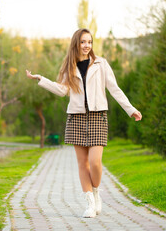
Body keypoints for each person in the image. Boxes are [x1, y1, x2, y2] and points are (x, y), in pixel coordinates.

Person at [26, 28, 142, 218]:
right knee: (82, 164)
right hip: (76, 117)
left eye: (89, 42)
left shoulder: (101, 64)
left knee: (95, 163)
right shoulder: (69, 66)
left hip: (98, 117)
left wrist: (131, 109)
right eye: (83, 42)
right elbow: (63, 90)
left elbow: (115, 89)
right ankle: (89, 202)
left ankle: (96, 192)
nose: (86, 45)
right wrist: (41, 79)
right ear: (76, 44)